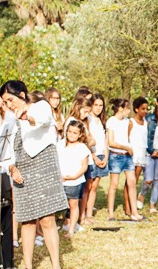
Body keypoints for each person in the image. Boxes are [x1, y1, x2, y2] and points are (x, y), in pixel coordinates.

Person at [0, 80, 67, 269]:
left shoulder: (40, 106)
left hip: (43, 166)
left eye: (10, 99)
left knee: (47, 219)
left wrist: (26, 116)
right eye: (5, 102)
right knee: (27, 221)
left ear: (21, 94)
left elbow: (43, 120)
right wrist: (12, 168)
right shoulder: (9, 121)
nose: (9, 105)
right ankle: (28, 267)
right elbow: (7, 152)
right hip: (22, 170)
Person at [106, 98, 142, 222]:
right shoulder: (111, 121)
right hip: (116, 156)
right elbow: (111, 142)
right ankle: (110, 213)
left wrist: (130, 148)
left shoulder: (128, 122)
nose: (129, 111)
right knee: (114, 184)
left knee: (132, 183)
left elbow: (128, 137)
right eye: (127, 108)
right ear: (120, 108)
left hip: (128, 157)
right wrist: (125, 147)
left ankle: (134, 212)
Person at [56, 120, 90, 238]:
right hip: (60, 180)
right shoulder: (60, 144)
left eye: (75, 133)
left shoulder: (82, 147)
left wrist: (74, 176)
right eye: (69, 132)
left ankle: (71, 229)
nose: (71, 134)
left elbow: (84, 166)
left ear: (80, 134)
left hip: (74, 181)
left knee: (73, 204)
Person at [139, 92, 158, 214]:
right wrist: (151, 151)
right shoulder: (148, 119)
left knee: (157, 180)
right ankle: (142, 195)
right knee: (148, 179)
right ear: (157, 103)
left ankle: (152, 204)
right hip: (149, 153)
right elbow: (144, 137)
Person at [82, 93, 108, 224]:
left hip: (102, 154)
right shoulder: (88, 119)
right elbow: (86, 140)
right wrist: (93, 156)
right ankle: (83, 214)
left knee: (95, 186)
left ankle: (90, 212)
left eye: (101, 105)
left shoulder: (102, 121)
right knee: (88, 186)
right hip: (91, 155)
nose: (98, 108)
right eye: (96, 105)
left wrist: (106, 157)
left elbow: (105, 140)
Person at [125, 97, 148, 214]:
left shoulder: (146, 123)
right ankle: (128, 208)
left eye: (146, 109)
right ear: (136, 109)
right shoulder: (131, 122)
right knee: (129, 182)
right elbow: (127, 138)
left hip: (141, 155)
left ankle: (132, 205)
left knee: (135, 182)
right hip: (132, 154)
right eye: (142, 109)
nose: (145, 111)